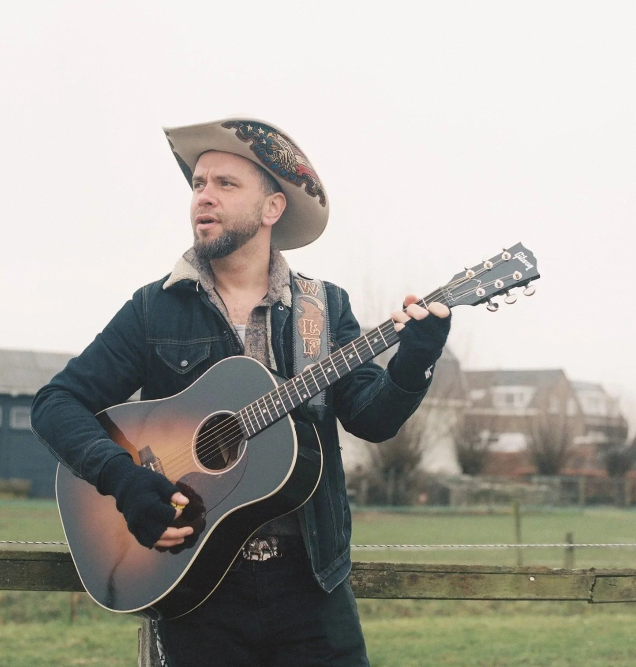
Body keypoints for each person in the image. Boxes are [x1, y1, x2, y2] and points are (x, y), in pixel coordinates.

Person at [31, 117, 451, 667]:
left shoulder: (323, 308)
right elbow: (55, 404)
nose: (203, 197)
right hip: (197, 586)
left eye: (225, 184)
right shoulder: (154, 309)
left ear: (272, 207)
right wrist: (124, 479)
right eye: (198, 184)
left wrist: (416, 361)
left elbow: (372, 419)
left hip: (311, 585)